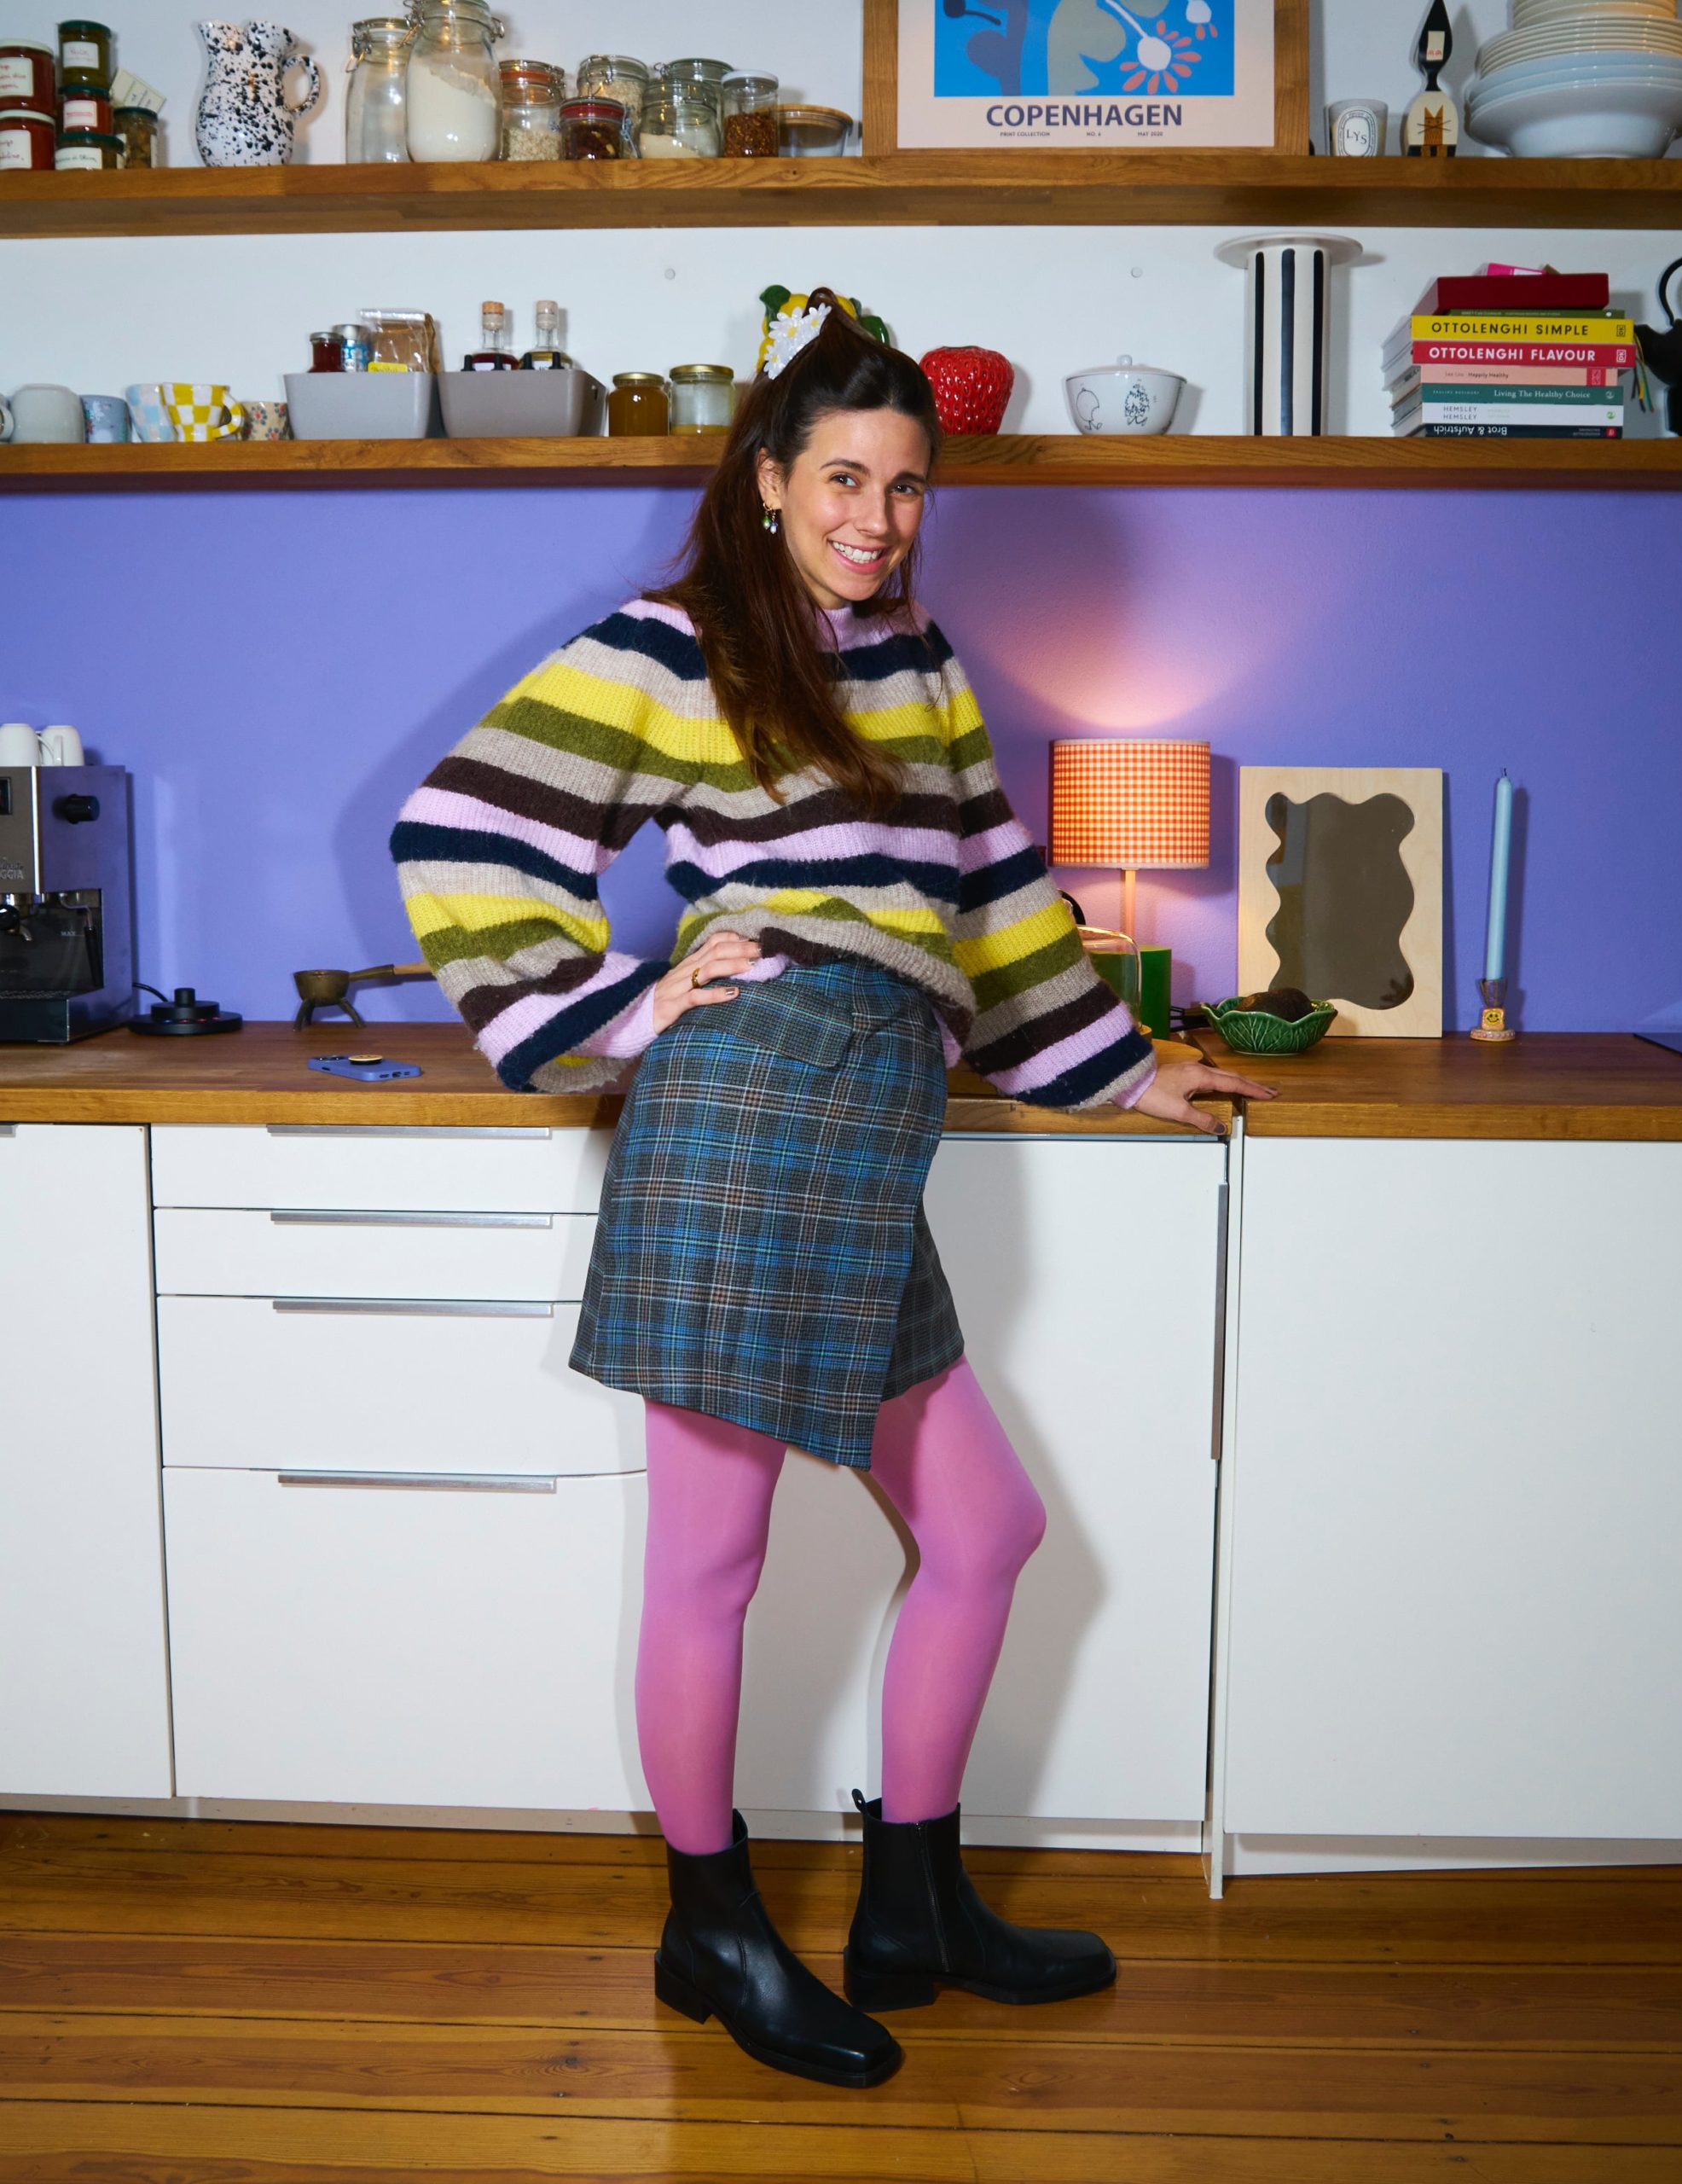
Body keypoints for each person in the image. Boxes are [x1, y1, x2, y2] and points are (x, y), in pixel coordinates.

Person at [391, 288, 1272, 2090]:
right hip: (751, 1100)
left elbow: (995, 891)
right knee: (713, 1558)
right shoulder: (679, 639)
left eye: (907, 483)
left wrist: (1126, 1064)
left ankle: (912, 1902)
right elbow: (460, 826)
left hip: (869, 1113)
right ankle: (712, 1927)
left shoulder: (921, 657)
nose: (876, 515)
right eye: (844, 478)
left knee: (987, 1530)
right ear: (771, 479)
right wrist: (626, 1009)